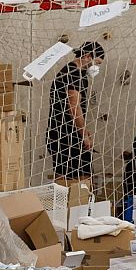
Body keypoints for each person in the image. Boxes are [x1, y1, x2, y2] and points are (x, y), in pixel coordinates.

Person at [46, 41, 105, 183]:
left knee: (64, 173)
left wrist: (84, 129)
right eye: (96, 63)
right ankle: (81, 204)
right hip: (67, 135)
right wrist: (83, 134)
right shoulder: (74, 73)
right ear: (88, 56)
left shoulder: (68, 71)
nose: (95, 68)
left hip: (57, 132)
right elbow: (73, 106)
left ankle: (63, 204)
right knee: (81, 176)